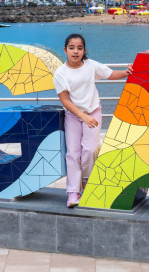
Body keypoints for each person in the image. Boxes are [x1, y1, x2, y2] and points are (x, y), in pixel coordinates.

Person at [54, 34, 132, 207]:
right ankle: (73, 193)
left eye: (79, 48)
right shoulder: (60, 73)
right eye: (72, 48)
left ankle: (87, 182)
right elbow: (65, 100)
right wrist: (82, 116)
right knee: (73, 153)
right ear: (65, 50)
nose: (75, 51)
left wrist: (125, 73)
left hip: (93, 112)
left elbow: (110, 74)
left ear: (84, 51)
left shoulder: (90, 66)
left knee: (89, 150)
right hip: (74, 116)